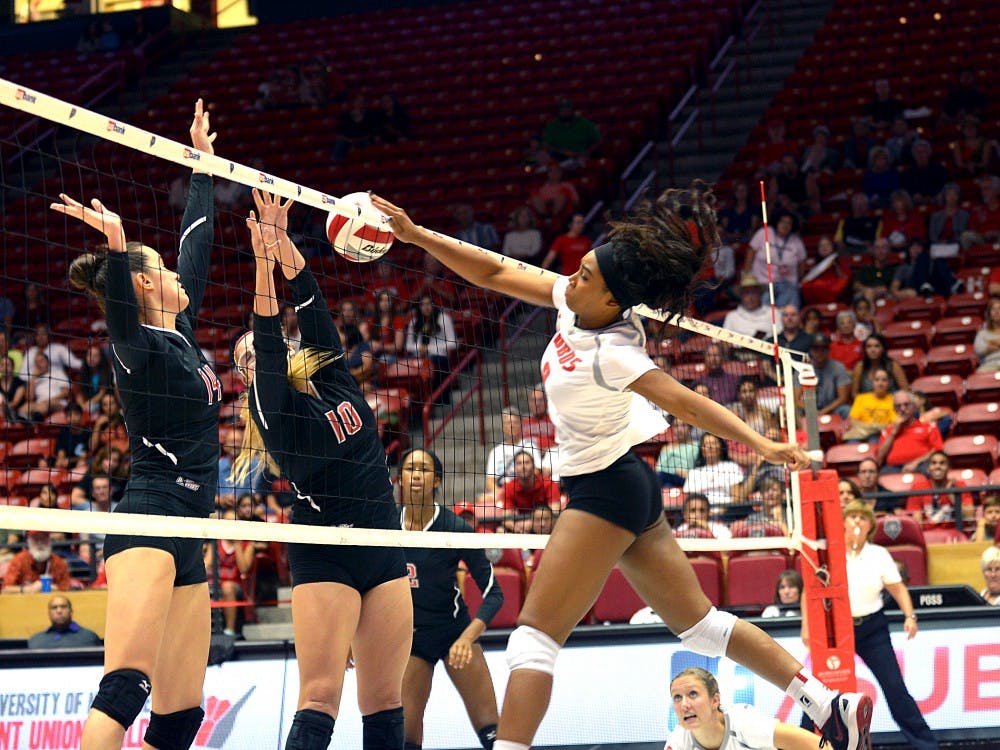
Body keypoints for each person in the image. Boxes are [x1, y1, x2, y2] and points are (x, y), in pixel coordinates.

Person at [373, 185, 872, 750]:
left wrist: (764, 443)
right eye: (580, 269)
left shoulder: (614, 349)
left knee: (532, 642)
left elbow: (686, 401)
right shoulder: (574, 303)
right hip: (623, 484)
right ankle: (831, 704)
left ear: (612, 300)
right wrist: (414, 235)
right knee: (702, 627)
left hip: (605, 491)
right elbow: (492, 273)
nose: (573, 277)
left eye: (586, 274)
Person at [51, 100, 220, 750]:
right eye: (165, 273)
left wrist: (201, 164)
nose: (180, 277)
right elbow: (121, 314)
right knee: (125, 691)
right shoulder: (136, 348)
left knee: (180, 719)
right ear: (144, 285)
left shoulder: (175, 332)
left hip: (188, 535)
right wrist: (119, 245)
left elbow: (196, 243)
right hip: (148, 520)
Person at [232, 189, 411, 750]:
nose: (255, 358)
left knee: (385, 702)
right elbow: (264, 333)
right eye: (245, 361)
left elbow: (310, 304)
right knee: (319, 698)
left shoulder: (333, 377)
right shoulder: (274, 410)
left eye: (257, 352)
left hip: (382, 541)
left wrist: (285, 245)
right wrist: (262, 265)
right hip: (325, 550)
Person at [398, 448, 502, 750]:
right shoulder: (385, 526)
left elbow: (495, 594)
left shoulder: (455, 528)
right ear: (400, 479)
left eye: (425, 470)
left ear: (437, 481)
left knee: (494, 735)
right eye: (410, 468)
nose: (417, 475)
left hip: (454, 630)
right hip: (411, 639)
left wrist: (467, 639)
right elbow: (364, 585)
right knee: (406, 739)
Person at [829, 501, 938, 750]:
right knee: (822, 688)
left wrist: (910, 617)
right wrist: (806, 628)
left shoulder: (878, 554)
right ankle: (806, 741)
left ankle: (927, 746)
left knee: (894, 688)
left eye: (862, 518)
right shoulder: (830, 552)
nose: (857, 521)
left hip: (872, 629)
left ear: (870, 526)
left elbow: (898, 589)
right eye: (852, 516)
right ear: (843, 522)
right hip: (837, 630)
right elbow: (810, 592)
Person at [666, 667, 821, 750]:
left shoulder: (744, 722)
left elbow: (816, 745)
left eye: (693, 694)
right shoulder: (679, 740)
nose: (684, 705)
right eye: (677, 697)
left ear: (715, 701)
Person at [745, 214, 807, 307]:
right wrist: (747, 274)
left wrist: (798, 280)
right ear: (777, 222)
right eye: (782, 222)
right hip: (763, 283)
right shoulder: (763, 233)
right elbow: (751, 252)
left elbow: (802, 262)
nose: (785, 225)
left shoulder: (796, 240)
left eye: (789, 223)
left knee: (790, 307)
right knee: (764, 307)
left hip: (788, 284)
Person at [875, 389, 943, 474]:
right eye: (898, 406)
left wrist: (915, 463)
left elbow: (937, 450)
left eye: (906, 405)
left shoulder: (928, 427)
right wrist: (894, 432)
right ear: (894, 409)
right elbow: (879, 456)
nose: (902, 409)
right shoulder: (888, 430)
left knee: (930, 469)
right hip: (893, 468)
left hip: (921, 464)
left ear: (914, 407)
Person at [2, 530, 73, 593]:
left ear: (49, 541)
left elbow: (67, 588)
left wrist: (54, 588)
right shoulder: (19, 560)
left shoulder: (58, 562)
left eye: (43, 539)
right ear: (29, 541)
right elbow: (5, 589)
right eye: (36, 539)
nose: (40, 543)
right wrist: (27, 589)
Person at [541, 99, 601, 168]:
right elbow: (546, 145)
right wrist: (562, 152)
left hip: (581, 157)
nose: (565, 112)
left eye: (568, 109)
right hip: (560, 159)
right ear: (559, 111)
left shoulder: (583, 123)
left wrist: (587, 152)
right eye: (563, 110)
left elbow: (598, 140)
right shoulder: (552, 126)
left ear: (572, 110)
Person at [28, 595, 102, 649]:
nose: (59, 611)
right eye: (54, 608)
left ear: (71, 611)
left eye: (63, 607)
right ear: (49, 614)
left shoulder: (89, 637)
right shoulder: (36, 641)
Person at [843, 368, 896, 443]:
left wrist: (870, 427)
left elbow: (892, 425)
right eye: (877, 380)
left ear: (889, 383)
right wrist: (875, 427)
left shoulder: (893, 400)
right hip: (858, 434)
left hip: (879, 435)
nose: (880, 383)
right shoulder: (861, 398)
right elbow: (853, 421)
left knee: (874, 439)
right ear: (872, 382)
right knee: (852, 443)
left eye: (884, 380)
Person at [850, 334, 907, 398]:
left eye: (876, 346)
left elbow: (905, 390)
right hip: (868, 405)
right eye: (869, 346)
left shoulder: (893, 365)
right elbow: (854, 394)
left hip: (891, 404)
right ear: (865, 350)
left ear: (883, 349)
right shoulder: (860, 366)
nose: (872, 350)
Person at [974, 298, 1000, 372]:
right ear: (989, 314)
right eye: (993, 309)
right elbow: (980, 349)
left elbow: (987, 347)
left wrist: (990, 342)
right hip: (989, 365)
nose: (997, 312)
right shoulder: (982, 334)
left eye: (999, 309)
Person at [0, 352, 27, 423]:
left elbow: (15, 403)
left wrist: (3, 406)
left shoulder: (19, 382)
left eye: (8, 365)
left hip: (17, 415)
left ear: (13, 367)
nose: (5, 368)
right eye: (2, 365)